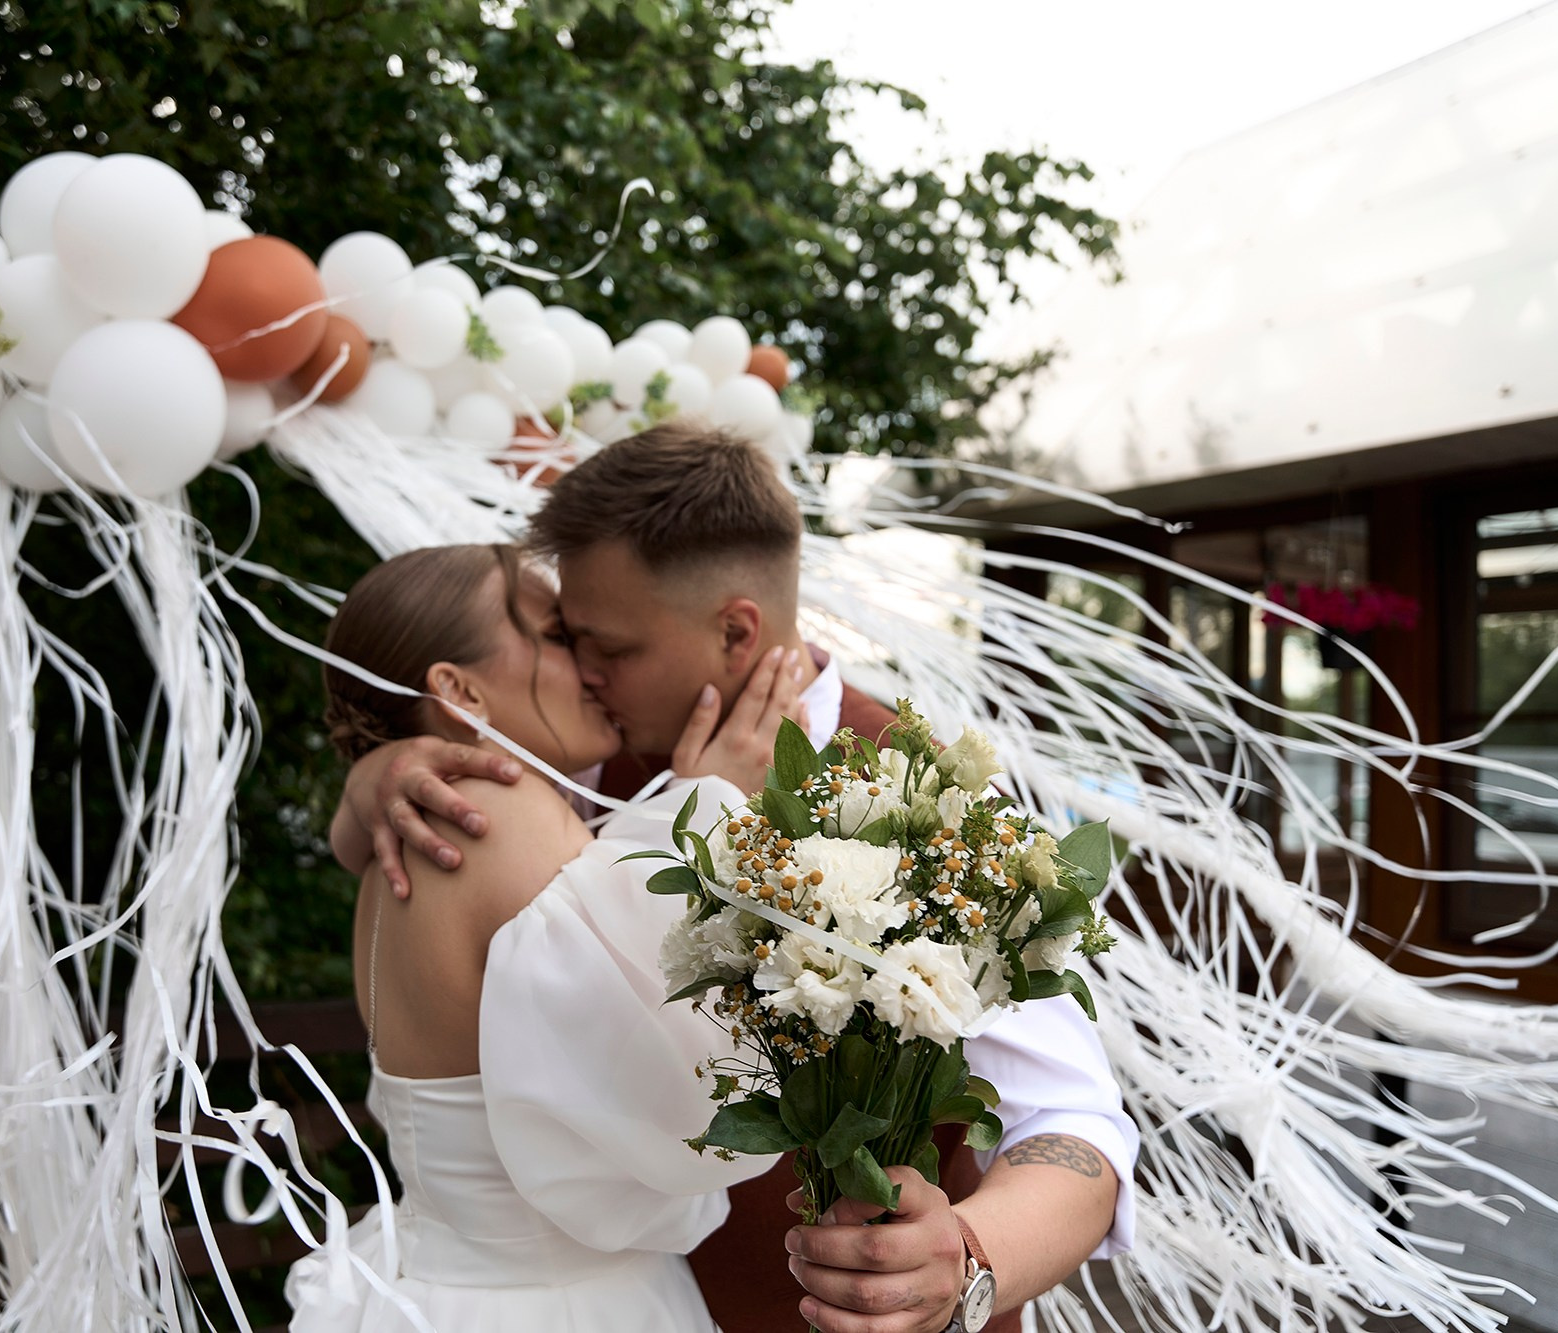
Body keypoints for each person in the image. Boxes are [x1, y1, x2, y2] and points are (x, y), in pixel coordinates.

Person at [331, 424, 1138, 1333]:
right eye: (566, 639)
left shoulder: (935, 806)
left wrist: (966, 1261)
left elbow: (1073, 1125)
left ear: (735, 630)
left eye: (608, 647)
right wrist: (377, 776)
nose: (584, 674)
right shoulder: (582, 766)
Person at [287, 541, 811, 1331]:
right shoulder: (502, 813)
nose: (591, 667)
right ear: (459, 690)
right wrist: (717, 805)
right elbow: (688, 1097)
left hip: (433, 1281)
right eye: (558, 636)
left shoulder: (395, 841)